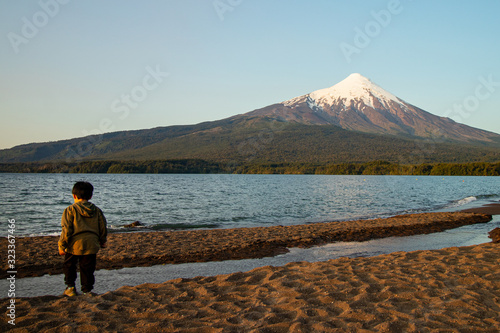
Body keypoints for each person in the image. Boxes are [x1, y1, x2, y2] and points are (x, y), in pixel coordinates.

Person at [58, 181, 107, 297]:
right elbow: (102, 227)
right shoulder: (97, 210)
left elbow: (66, 229)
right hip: (91, 244)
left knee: (69, 266)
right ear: (90, 196)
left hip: (74, 244)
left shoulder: (70, 210)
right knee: (88, 269)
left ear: (74, 195)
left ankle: (70, 288)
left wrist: (62, 245)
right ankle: (87, 290)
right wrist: (102, 240)